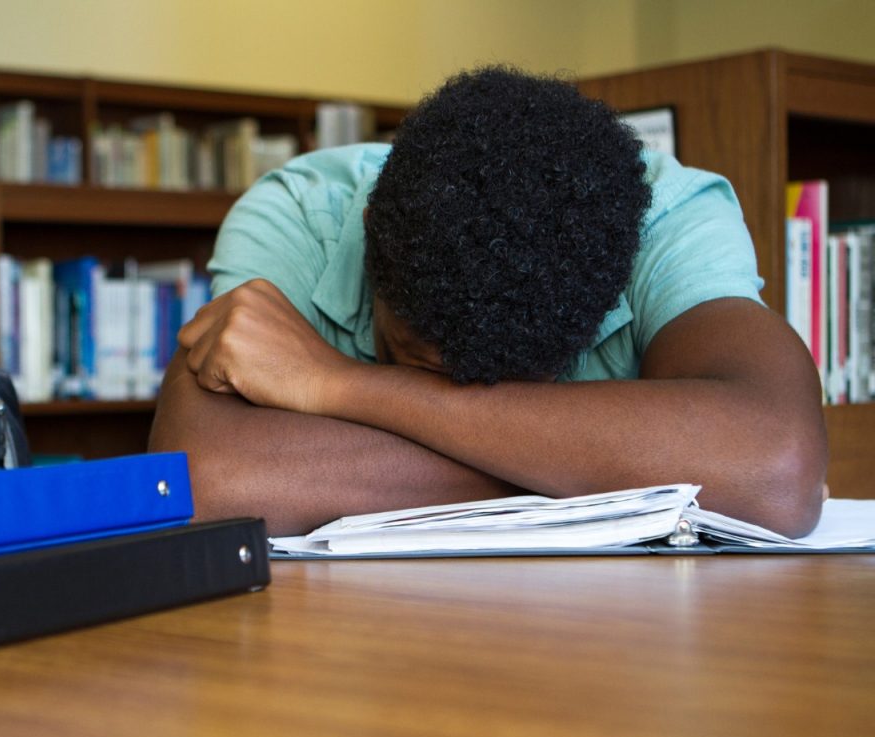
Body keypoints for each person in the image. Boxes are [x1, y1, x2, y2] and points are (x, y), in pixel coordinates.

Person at [148, 66, 827, 538]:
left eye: (513, 386)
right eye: (412, 359)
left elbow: (778, 466)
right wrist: (597, 461)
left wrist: (341, 384)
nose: (455, 397)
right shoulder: (302, 213)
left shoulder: (664, 221)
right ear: (368, 235)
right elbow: (208, 474)